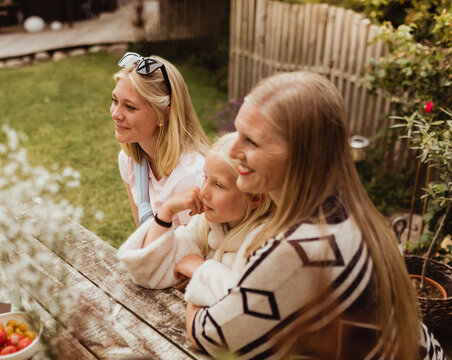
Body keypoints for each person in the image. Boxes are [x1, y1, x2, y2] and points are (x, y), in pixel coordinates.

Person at [186, 72, 445, 359]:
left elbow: (208, 334)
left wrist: (201, 279)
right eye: (238, 134)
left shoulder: (300, 252)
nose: (234, 150)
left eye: (252, 142)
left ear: (300, 154)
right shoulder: (345, 209)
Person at [117, 132, 274, 306]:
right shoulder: (207, 224)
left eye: (219, 185)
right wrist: (166, 212)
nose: (203, 192)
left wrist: (200, 270)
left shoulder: (268, 244)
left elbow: (246, 307)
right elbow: (149, 272)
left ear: (255, 199)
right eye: (205, 177)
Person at [111, 52, 209, 228]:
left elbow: (197, 250)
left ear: (163, 115)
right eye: (115, 100)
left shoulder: (190, 177)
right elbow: (143, 235)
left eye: (130, 107)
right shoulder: (129, 160)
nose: (115, 114)